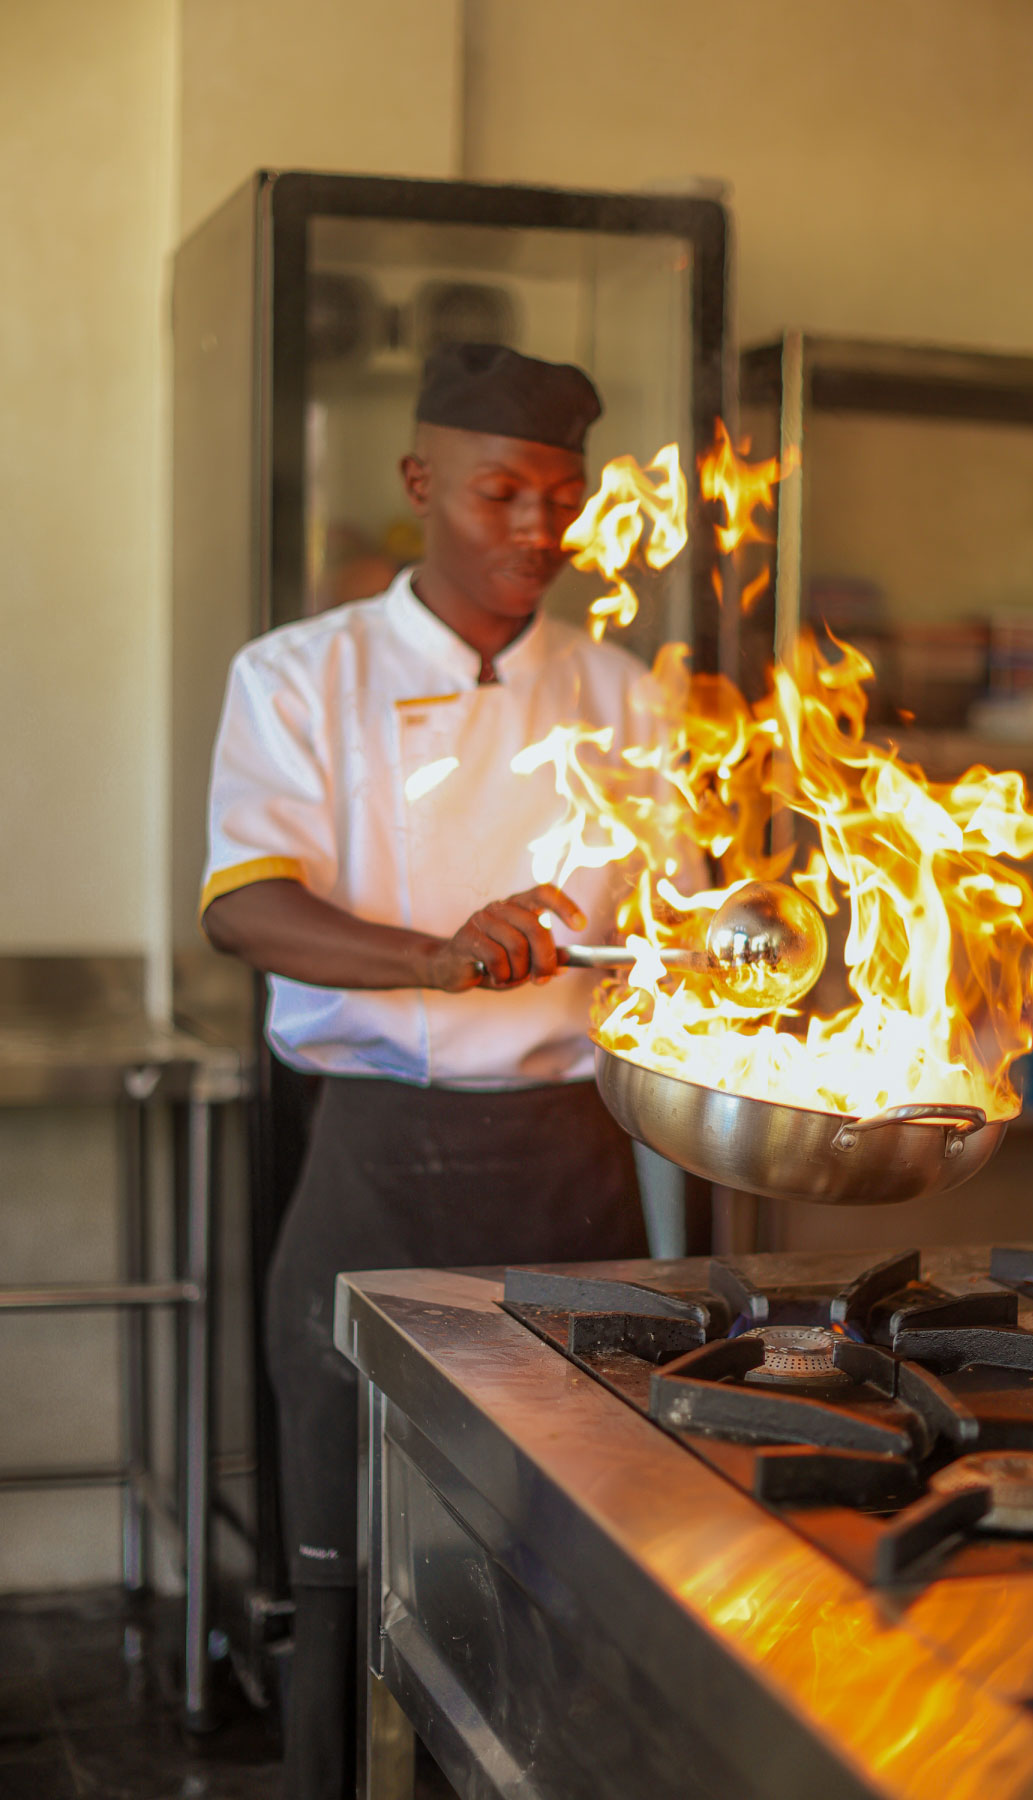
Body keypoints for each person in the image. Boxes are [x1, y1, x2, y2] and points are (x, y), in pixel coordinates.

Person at [200, 344, 650, 1799]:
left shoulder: (629, 695)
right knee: (358, 1547)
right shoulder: (299, 677)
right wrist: (436, 958)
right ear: (419, 486)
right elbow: (243, 905)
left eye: (563, 496)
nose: (538, 528)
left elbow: (669, 934)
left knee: (576, 1556)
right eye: (500, 491)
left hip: (579, 1173)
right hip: (380, 1165)